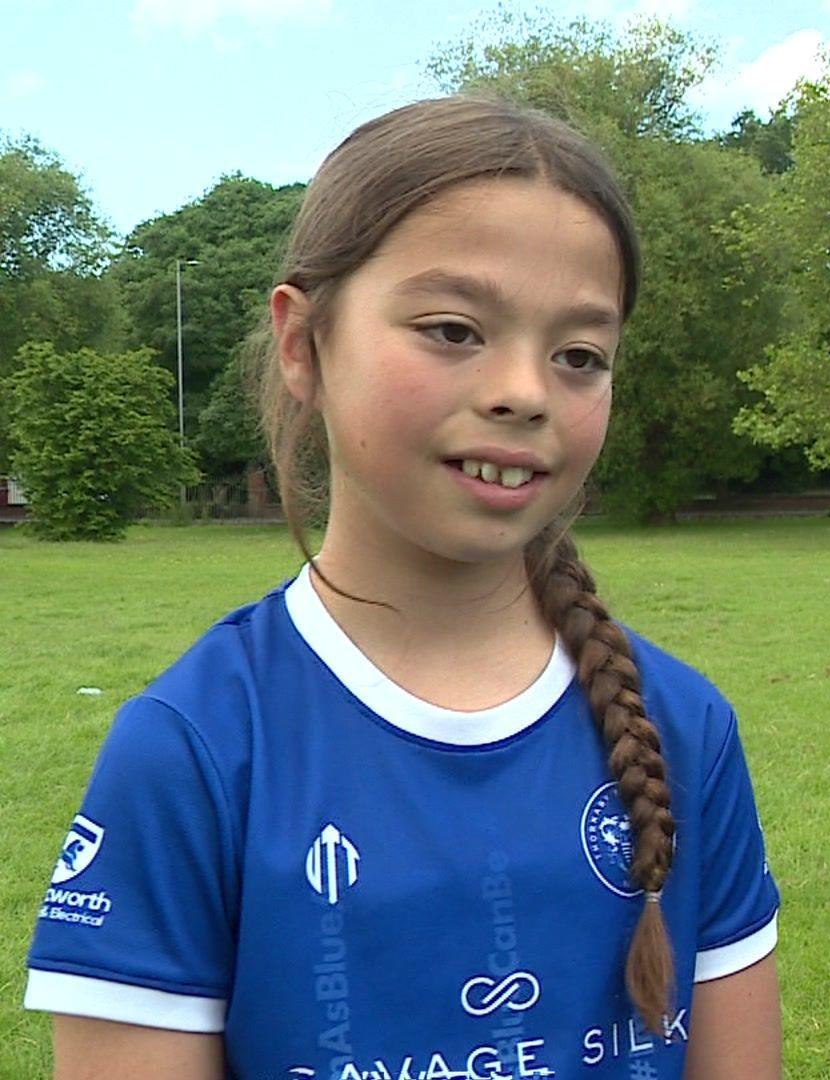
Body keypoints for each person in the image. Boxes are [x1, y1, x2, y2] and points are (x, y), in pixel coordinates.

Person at [25, 97, 781, 1079]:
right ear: (302, 345)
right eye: (454, 329)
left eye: (580, 355)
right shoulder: (194, 750)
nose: (526, 390)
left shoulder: (687, 728)